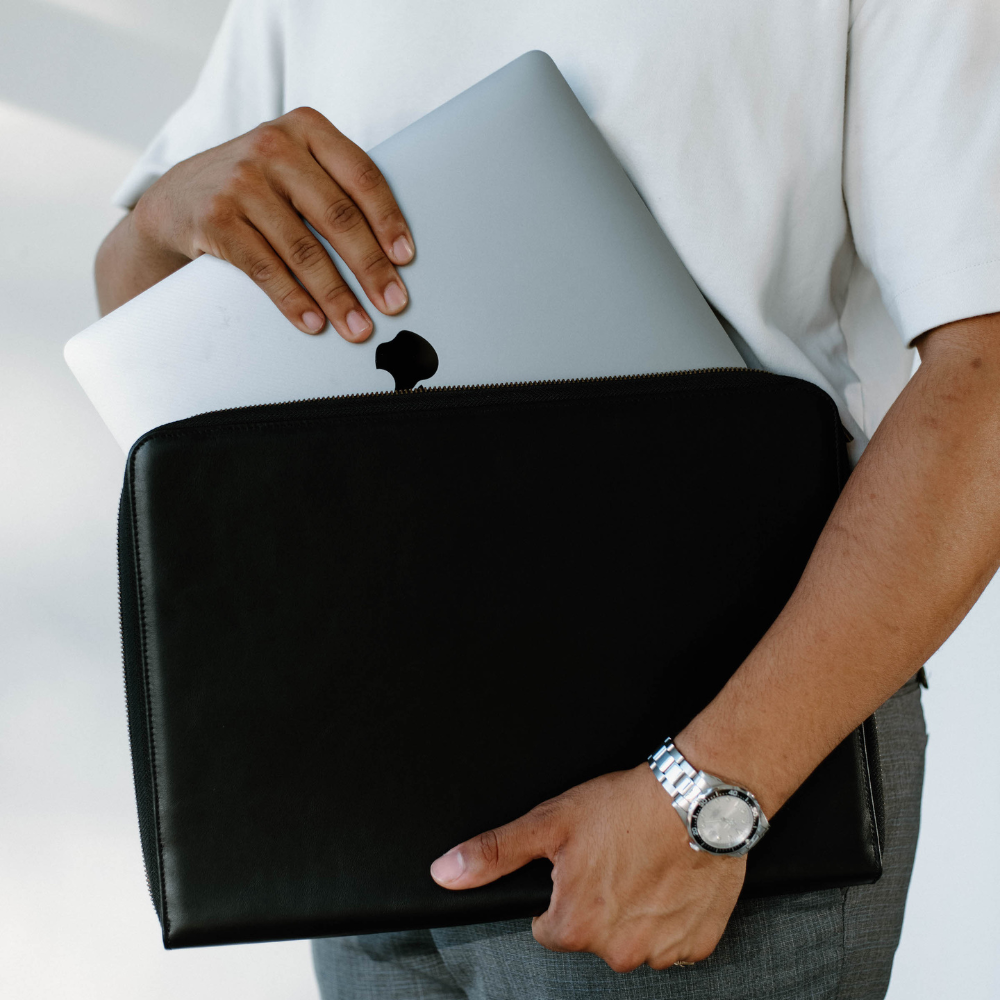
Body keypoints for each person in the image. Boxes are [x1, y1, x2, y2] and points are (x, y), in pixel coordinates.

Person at [94, 2, 1000, 997]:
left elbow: (986, 373)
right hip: (376, 760)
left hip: (698, 769)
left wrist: (708, 796)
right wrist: (159, 220)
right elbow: (148, 320)